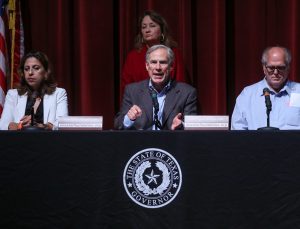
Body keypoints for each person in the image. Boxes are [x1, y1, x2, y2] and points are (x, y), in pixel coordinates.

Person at [115, 44, 197, 130]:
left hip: (172, 142)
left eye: (163, 62)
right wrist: (129, 119)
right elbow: (118, 124)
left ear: (171, 66)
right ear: (147, 66)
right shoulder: (132, 91)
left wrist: (181, 125)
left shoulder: (187, 92)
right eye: (153, 62)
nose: (158, 67)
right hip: (140, 142)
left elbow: (192, 127)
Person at [231, 46, 300, 130]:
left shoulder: (298, 92)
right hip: (255, 143)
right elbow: (238, 129)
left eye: (281, 68)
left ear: (288, 68)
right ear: (264, 68)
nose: (275, 72)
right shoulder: (247, 95)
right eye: (271, 68)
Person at [121, 10, 187, 97]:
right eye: (144, 27)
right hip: (140, 105)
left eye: (152, 26)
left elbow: (181, 85)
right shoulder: (133, 57)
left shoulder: (174, 53)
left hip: (170, 104)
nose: (147, 30)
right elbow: (126, 87)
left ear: (162, 30)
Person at [0, 51, 68, 130]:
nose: (30, 72)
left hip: (48, 140)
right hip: (18, 141)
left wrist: (44, 126)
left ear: (46, 72)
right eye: (26, 69)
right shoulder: (13, 94)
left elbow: (63, 124)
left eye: (36, 68)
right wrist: (20, 125)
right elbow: (3, 124)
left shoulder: (59, 93)